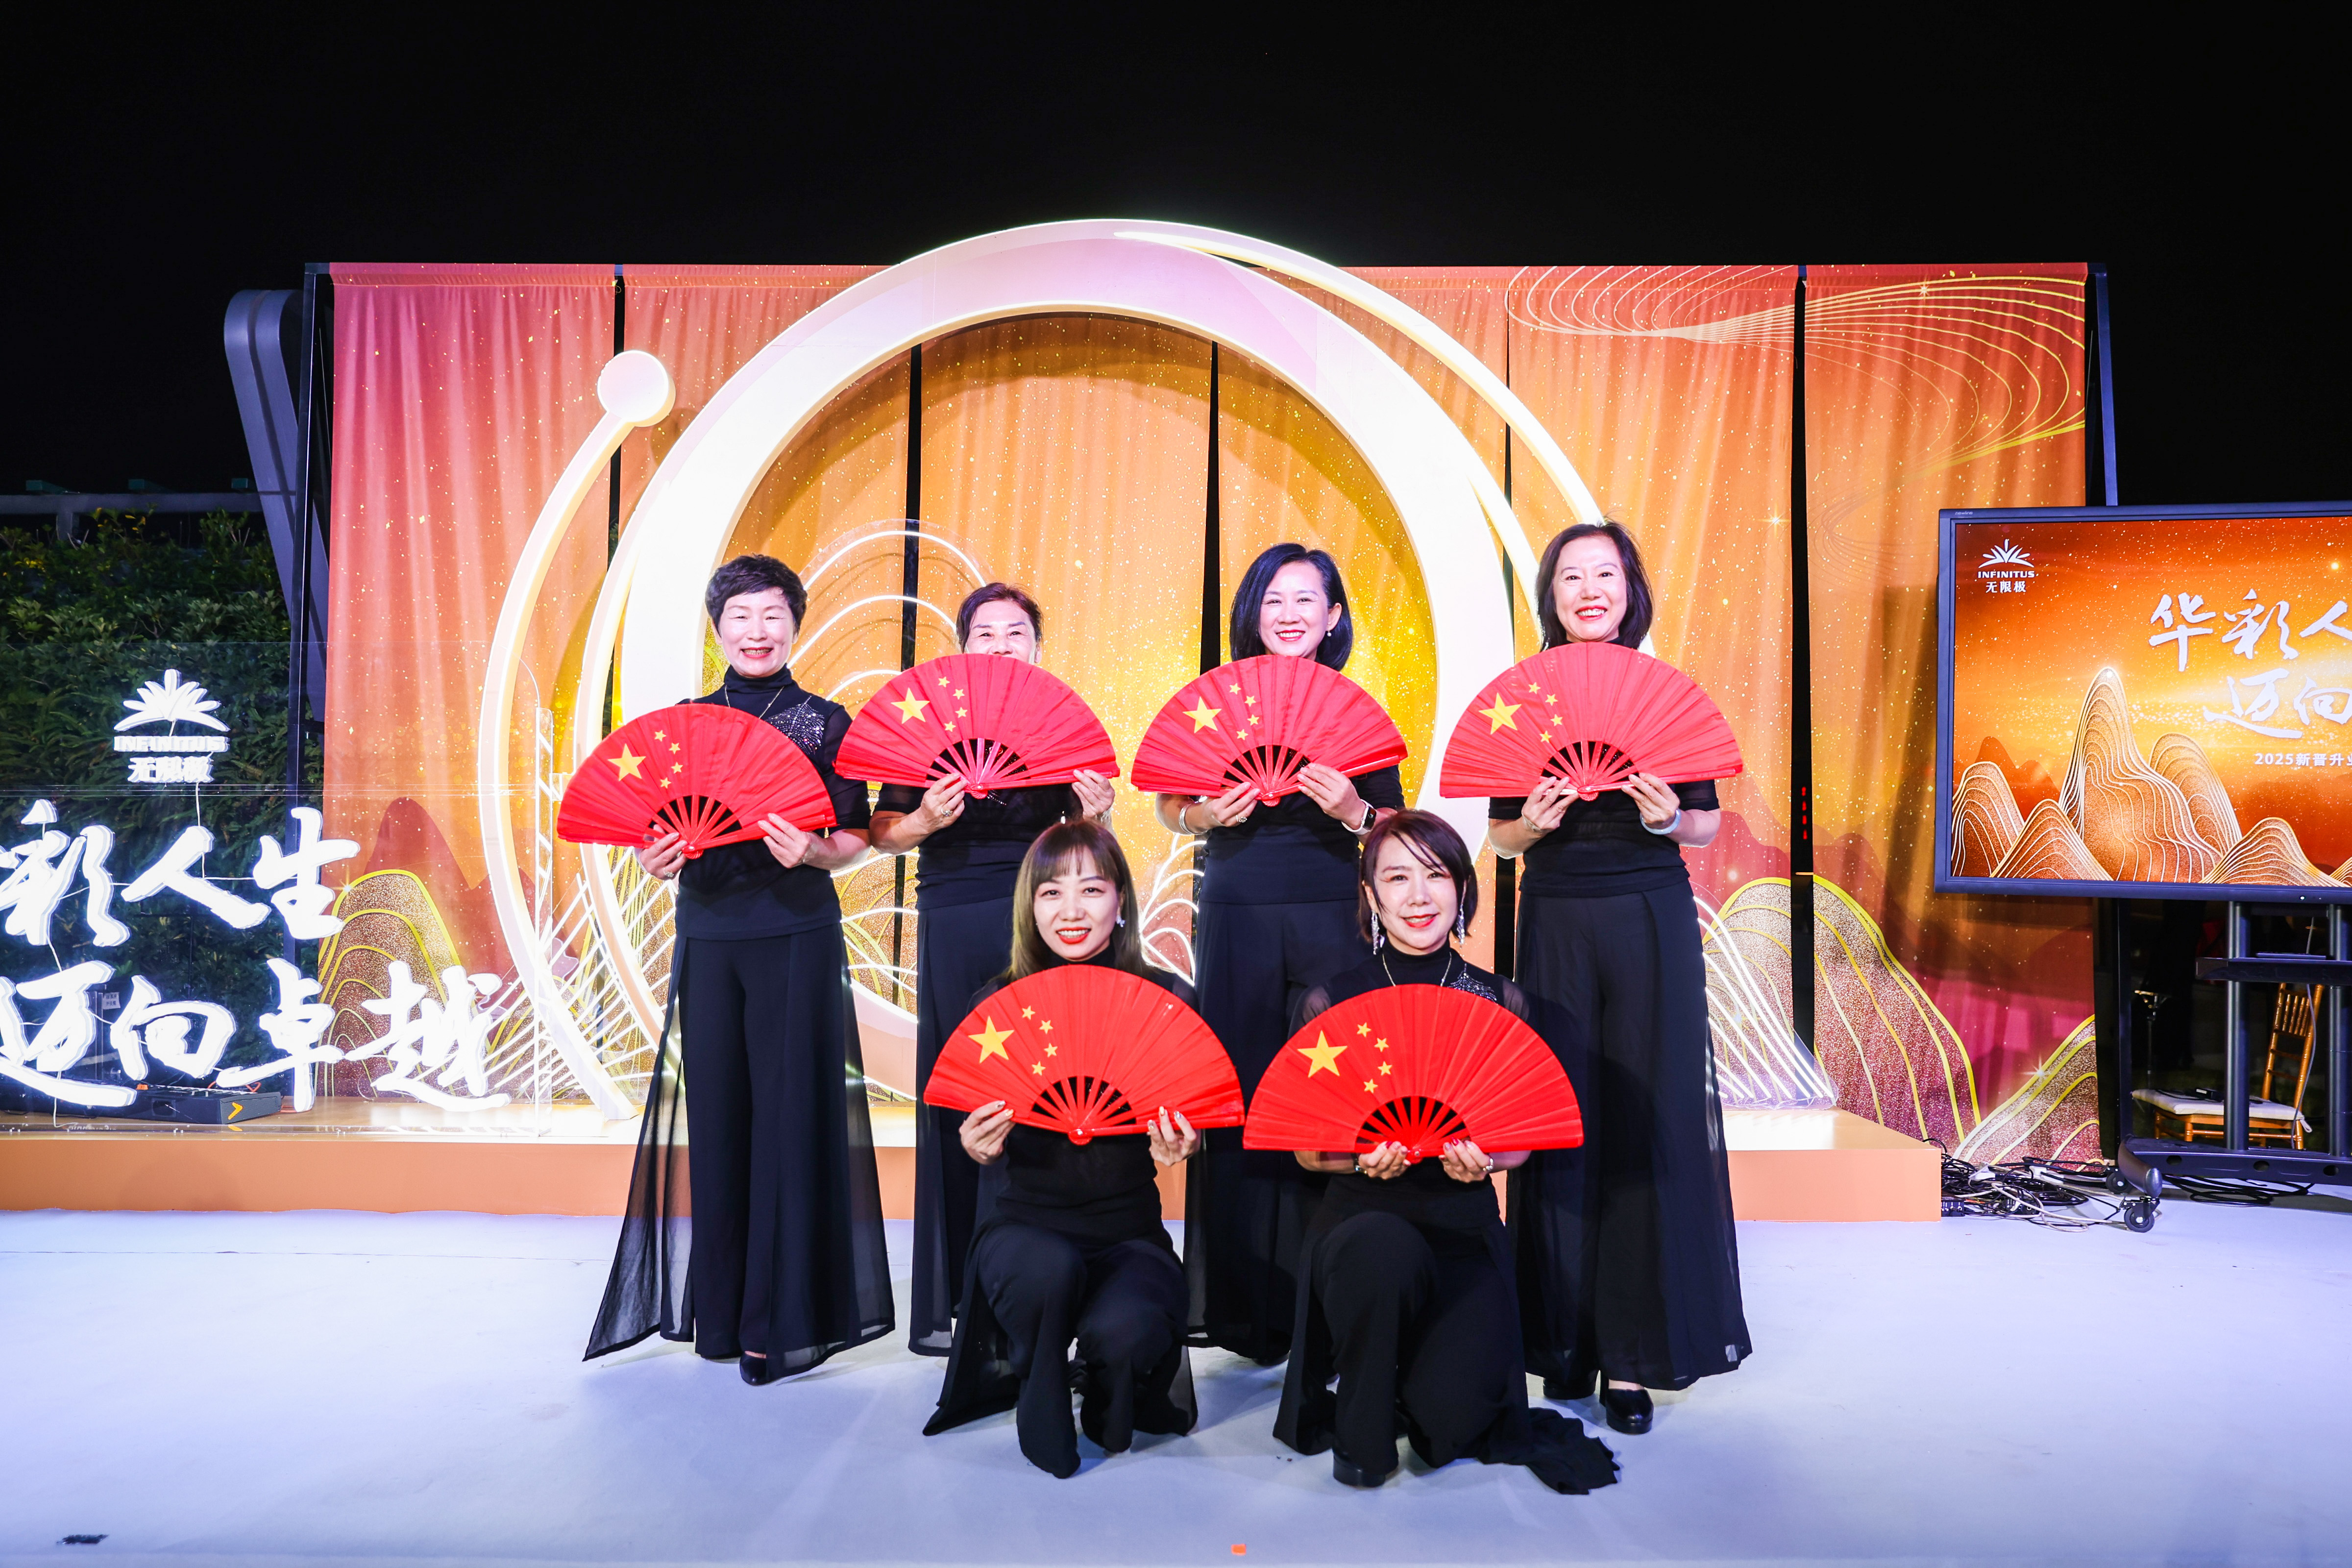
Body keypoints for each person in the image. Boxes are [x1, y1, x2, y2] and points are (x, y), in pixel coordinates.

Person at [584, 553, 894, 1383]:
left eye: (773, 616)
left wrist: (817, 851)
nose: (758, 632)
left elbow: (856, 834)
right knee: (718, 1119)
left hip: (796, 931)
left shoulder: (827, 722)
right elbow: (654, 831)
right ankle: (718, 1314)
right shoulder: (685, 724)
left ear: (795, 625)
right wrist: (652, 857)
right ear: (717, 630)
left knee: (789, 1119)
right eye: (741, 618)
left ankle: (776, 1321)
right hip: (710, 935)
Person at [1486, 519, 1750, 1435]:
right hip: (1555, 913)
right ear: (1551, 597)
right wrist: (1536, 822)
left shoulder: (1667, 697)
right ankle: (1561, 1342)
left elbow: (1706, 827)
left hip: (1649, 914)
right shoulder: (1525, 702)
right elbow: (1500, 838)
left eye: (1606, 574)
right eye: (1571, 577)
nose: (1590, 590)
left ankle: (1633, 1359)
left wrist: (1669, 816)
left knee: (1645, 1115)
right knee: (1558, 1113)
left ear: (1631, 592)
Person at [1273, 811, 1617, 1494]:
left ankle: (1413, 1374)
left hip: (1462, 1226)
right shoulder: (1330, 1001)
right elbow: (1310, 1154)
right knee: (1381, 1250)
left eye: (1435, 875)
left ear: (1462, 887)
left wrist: (1485, 1160)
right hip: (1361, 1225)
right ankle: (1362, 1432)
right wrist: (1359, 1159)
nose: (1418, 896)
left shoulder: (1501, 1000)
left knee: (1453, 1425)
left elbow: (1517, 1147)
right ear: (1370, 895)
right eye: (1396, 878)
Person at [1152, 542, 1405, 1362]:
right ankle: (1242, 1307)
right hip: (1236, 910)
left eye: (1306, 600)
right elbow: (1170, 805)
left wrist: (1354, 810)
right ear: (1252, 614)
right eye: (1273, 600)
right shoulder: (1218, 700)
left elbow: (1393, 829)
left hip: (1331, 912)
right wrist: (1206, 817)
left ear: (1333, 617)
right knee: (1237, 1093)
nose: (1290, 614)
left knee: (1332, 1094)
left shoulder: (1354, 708)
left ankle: (1328, 1302)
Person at [869, 583, 1117, 1356]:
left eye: (1016, 633)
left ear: (1036, 648)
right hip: (955, 910)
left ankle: (1046, 1282)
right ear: (964, 646)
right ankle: (956, 1294)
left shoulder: (1057, 718)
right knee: (959, 1086)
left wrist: (1097, 813)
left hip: (1041, 916)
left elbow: (1080, 840)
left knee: (1044, 1082)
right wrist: (923, 819)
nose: (1002, 645)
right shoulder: (927, 722)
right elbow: (883, 831)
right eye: (986, 632)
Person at [923, 820, 1200, 1477]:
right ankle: (1039, 1386)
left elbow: (1197, 1112)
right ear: (1030, 906)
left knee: (1128, 1329)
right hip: (1025, 1228)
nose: (1071, 910)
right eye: (1051, 893)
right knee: (1047, 1272)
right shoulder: (996, 1005)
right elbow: (971, 1131)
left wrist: (1184, 1143)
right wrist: (977, 1146)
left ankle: (1107, 1384)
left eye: (1092, 890)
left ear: (1121, 902)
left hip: (1128, 1233)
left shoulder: (1167, 1000)